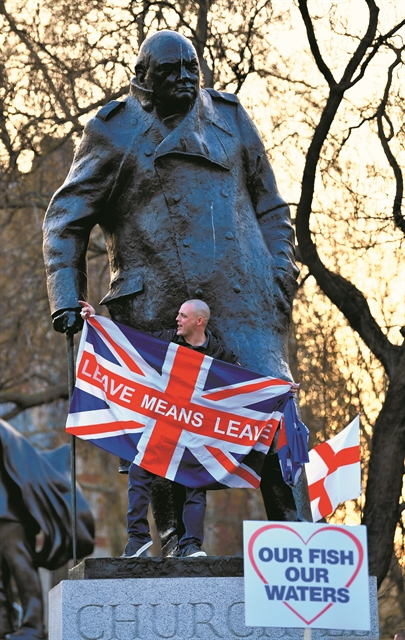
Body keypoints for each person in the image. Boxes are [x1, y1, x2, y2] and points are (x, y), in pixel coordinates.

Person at [43, 29, 311, 526]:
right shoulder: (115, 130)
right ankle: (165, 548)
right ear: (145, 77)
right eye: (172, 71)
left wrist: (280, 272)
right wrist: (66, 298)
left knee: (275, 416)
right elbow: (65, 219)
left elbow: (271, 205)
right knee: (168, 438)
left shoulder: (229, 118)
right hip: (158, 309)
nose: (187, 79)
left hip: (244, 302)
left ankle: (299, 545)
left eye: (192, 68)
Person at [79, 299, 238, 558]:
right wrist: (97, 321)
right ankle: (138, 539)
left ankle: (190, 546)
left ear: (199, 321)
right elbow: (127, 341)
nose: (177, 319)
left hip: (194, 435)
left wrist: (280, 390)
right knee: (138, 476)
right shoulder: (165, 340)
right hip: (161, 427)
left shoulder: (219, 353)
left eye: (183, 316)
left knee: (194, 488)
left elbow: (243, 383)